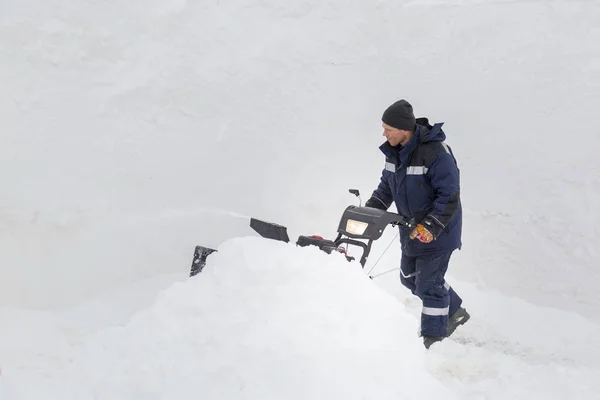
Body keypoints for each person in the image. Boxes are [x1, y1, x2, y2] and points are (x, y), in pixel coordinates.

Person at [364, 99, 470, 349]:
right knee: (409, 278)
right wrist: (370, 210)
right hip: (411, 231)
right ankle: (455, 310)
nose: (384, 133)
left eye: (388, 129)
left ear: (404, 130)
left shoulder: (436, 153)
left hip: (438, 232)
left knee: (429, 285)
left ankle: (433, 339)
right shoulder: (394, 153)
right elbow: (385, 188)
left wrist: (431, 226)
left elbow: (449, 195)